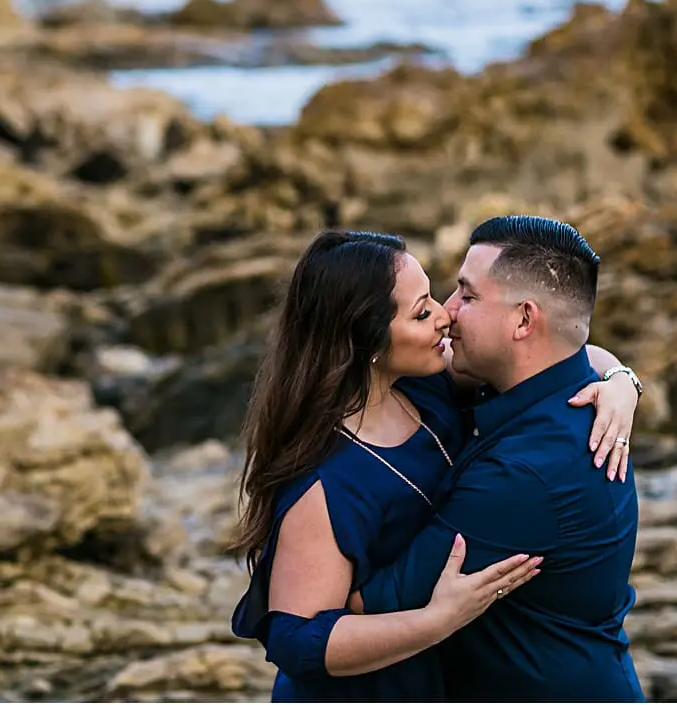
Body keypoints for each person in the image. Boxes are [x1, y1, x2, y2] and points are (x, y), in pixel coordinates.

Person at [228, 227, 641, 702]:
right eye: (423, 310)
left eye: (460, 294)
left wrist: (621, 381)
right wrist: (433, 621)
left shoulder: (432, 392)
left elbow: (569, 350)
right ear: (370, 341)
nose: (446, 313)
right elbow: (297, 637)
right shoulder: (330, 477)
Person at [349, 216, 644, 701]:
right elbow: (583, 352)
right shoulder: (559, 393)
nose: (447, 312)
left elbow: (369, 606)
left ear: (524, 320)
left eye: (467, 295)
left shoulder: (526, 473)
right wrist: (622, 377)